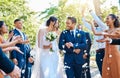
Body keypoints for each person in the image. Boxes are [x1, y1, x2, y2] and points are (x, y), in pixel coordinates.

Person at [90, 10, 120, 78]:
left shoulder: (118, 30)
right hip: (106, 54)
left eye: (107, 18)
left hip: (114, 53)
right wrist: (91, 23)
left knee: (115, 71)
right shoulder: (107, 30)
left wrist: (108, 38)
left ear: (113, 20)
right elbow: (95, 33)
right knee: (106, 72)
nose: (106, 20)